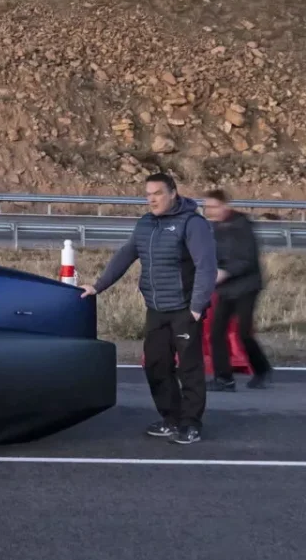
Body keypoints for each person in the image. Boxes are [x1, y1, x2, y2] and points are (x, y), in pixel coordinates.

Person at [82, 172, 217, 445]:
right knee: (156, 366)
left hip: (184, 309)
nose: (152, 199)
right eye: (148, 194)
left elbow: (206, 267)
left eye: (157, 193)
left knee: (189, 369)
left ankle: (191, 423)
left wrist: (196, 307)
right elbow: (126, 255)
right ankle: (171, 418)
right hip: (156, 308)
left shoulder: (192, 223)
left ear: (173, 193)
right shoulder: (145, 224)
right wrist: (98, 286)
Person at [201, 188, 272, 391]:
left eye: (214, 207)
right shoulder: (214, 228)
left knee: (243, 333)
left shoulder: (242, 225)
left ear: (225, 205)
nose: (210, 211)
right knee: (216, 333)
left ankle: (262, 370)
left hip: (246, 287)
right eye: (207, 207)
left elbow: (248, 259)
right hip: (225, 289)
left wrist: (226, 272)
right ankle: (224, 378)